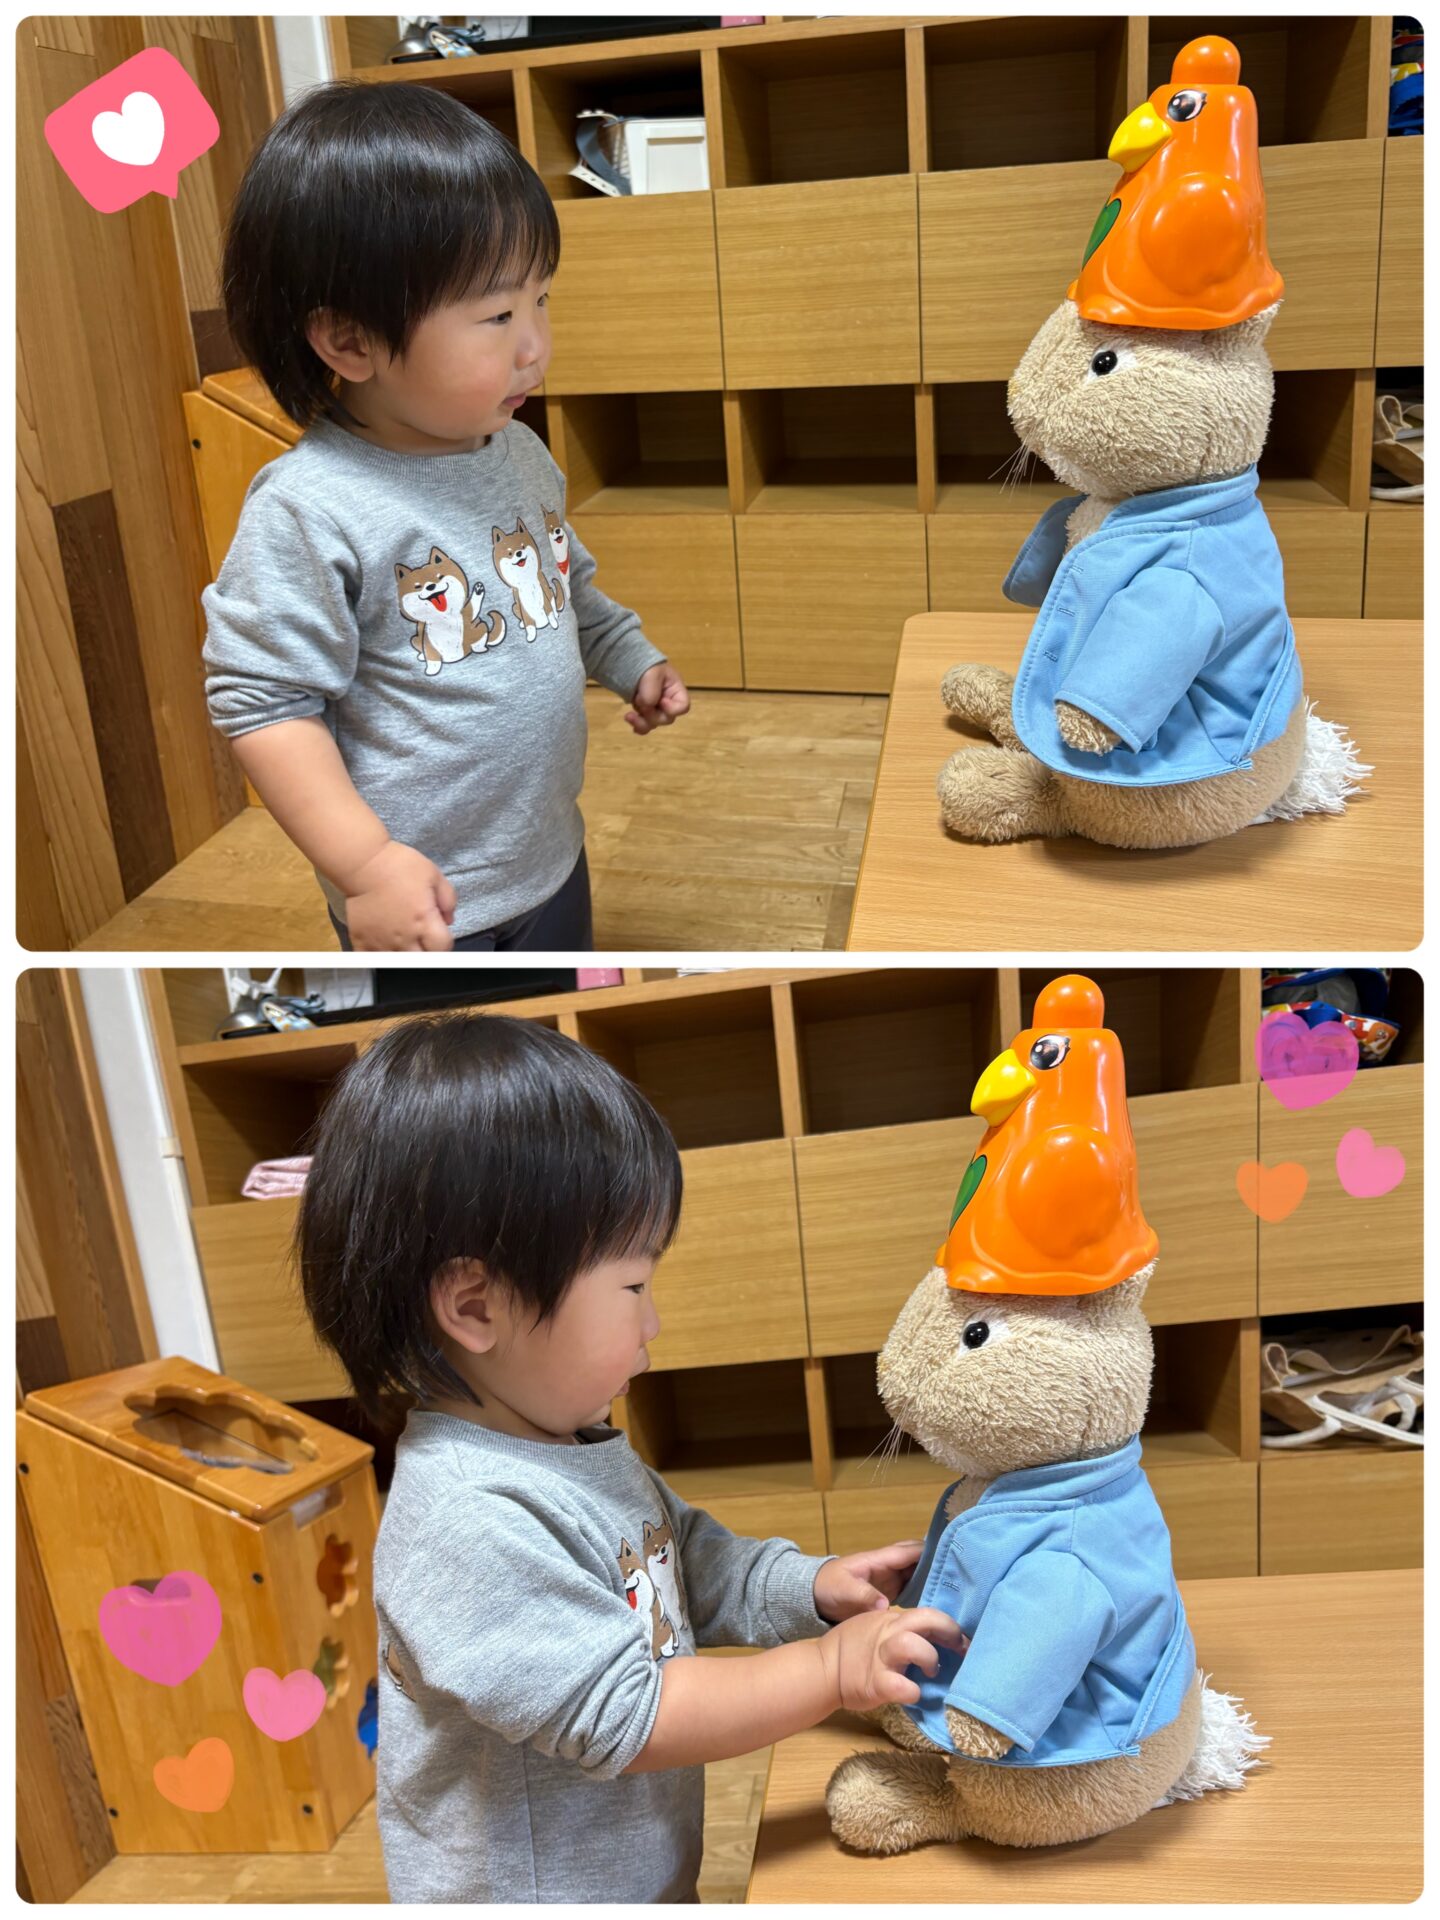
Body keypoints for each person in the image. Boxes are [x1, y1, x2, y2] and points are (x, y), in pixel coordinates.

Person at [296, 1014, 964, 1903]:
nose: (652, 1321)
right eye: (634, 1284)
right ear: (476, 1305)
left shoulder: (567, 1444)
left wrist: (809, 1590)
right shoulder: (465, 1519)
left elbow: (685, 1559)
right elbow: (632, 1716)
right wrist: (830, 1670)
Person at [202, 82, 689, 951]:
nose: (534, 345)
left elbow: (564, 586)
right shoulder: (312, 509)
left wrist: (630, 658)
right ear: (350, 341)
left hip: (548, 853)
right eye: (497, 314)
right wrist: (364, 867)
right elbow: (265, 704)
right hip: (417, 899)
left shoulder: (518, 452)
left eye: (542, 300)